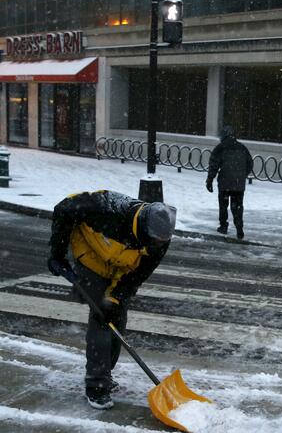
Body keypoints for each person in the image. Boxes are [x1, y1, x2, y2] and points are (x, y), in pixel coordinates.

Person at [47, 190, 175, 410]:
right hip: (91, 256)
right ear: (144, 226)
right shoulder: (106, 208)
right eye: (155, 240)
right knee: (101, 320)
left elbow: (136, 277)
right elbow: (63, 209)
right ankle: (96, 384)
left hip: (122, 269)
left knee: (116, 319)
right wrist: (57, 254)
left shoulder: (160, 240)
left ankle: (105, 372)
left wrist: (115, 298)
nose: (158, 244)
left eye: (161, 241)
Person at [206, 125, 254, 239]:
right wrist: (242, 175)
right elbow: (250, 163)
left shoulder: (220, 148)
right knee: (237, 206)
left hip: (224, 183)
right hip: (238, 184)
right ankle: (239, 228)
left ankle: (223, 226)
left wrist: (210, 180)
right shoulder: (242, 147)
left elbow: (213, 165)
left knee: (223, 205)